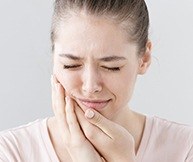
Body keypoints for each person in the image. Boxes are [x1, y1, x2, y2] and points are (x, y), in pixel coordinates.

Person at [0, 0, 193, 161]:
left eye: (111, 67)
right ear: (54, 58)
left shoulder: (185, 149)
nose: (90, 86)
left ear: (144, 58)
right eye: (71, 65)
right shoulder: (10, 152)